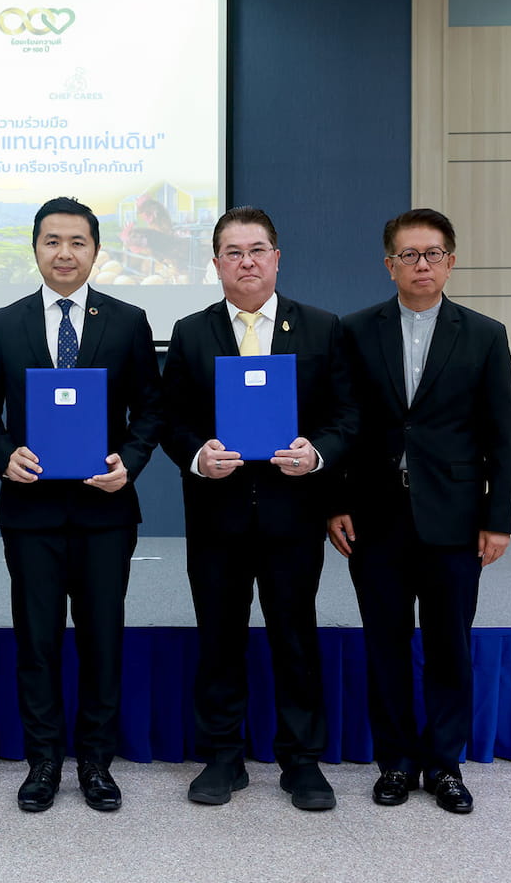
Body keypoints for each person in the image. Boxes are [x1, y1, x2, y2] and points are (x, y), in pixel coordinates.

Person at [0, 197, 162, 813]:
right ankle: (44, 760)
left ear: (96, 251)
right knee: (38, 640)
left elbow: (150, 410)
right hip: (31, 514)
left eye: (77, 242)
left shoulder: (128, 321)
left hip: (105, 511)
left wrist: (128, 462)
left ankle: (97, 763)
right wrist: (5, 456)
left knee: (103, 638)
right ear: (35, 250)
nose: (65, 254)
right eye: (52, 241)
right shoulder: (4, 323)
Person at [160, 206, 357, 810]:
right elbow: (171, 419)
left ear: (277, 257)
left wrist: (317, 453)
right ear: (216, 263)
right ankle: (222, 756)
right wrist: (197, 454)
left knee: (295, 636)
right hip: (217, 514)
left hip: (292, 514)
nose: (246, 262)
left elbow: (346, 418)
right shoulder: (192, 332)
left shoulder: (322, 328)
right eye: (233, 252)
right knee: (219, 636)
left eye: (257, 250)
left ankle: (302, 761)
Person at [327, 208, 511, 814]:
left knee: (448, 645)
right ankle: (395, 763)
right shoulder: (355, 331)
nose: (421, 265)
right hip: (375, 516)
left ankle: (444, 765)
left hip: (456, 518)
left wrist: (500, 517)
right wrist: (334, 501)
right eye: (408, 255)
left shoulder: (485, 334)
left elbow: (503, 433)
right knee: (384, 644)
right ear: (389, 266)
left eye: (433, 253)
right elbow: (341, 425)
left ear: (451, 261)